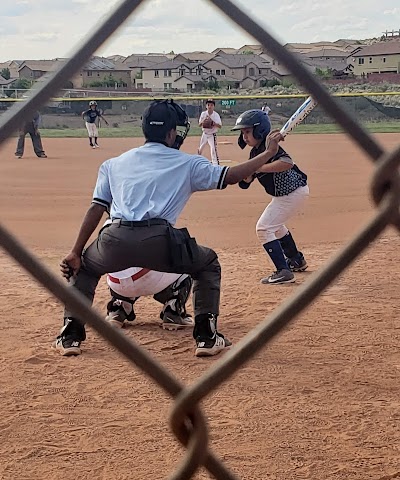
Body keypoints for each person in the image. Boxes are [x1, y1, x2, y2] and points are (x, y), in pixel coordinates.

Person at [55, 99, 284, 358]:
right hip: (159, 239)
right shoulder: (187, 163)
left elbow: (96, 208)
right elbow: (230, 176)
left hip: (113, 238)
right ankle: (207, 336)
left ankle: (70, 335)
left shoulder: (113, 163)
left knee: (83, 267)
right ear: (171, 133)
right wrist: (267, 153)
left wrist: (75, 251)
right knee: (206, 263)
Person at [232, 109, 309, 285]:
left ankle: (283, 271)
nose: (244, 136)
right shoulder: (256, 152)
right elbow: (246, 182)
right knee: (276, 226)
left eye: (247, 131)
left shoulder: (270, 146)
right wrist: (245, 173)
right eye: (243, 132)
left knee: (263, 228)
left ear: (259, 130)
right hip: (286, 195)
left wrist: (258, 168)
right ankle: (296, 259)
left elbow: (286, 163)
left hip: (292, 192)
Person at [197, 99, 222, 165]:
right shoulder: (203, 114)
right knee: (200, 149)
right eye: (208, 105)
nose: (210, 106)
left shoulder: (216, 115)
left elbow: (220, 126)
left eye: (211, 105)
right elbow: (199, 125)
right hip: (204, 134)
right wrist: (204, 121)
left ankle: (215, 164)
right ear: (206, 106)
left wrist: (213, 123)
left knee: (213, 149)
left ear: (214, 106)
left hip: (211, 135)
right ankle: (198, 162)